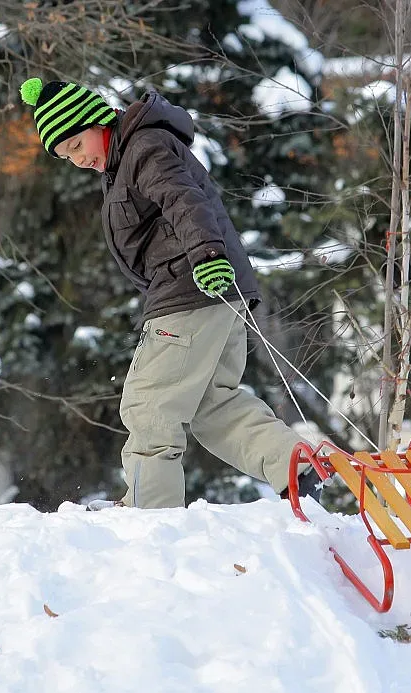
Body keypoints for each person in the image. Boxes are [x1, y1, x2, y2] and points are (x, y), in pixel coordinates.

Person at [19, 77, 320, 509]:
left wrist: (207, 256)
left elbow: (184, 199)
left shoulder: (143, 148)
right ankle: (297, 468)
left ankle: (151, 518)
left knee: (149, 406)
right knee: (212, 405)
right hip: (209, 290)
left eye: (76, 145)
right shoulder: (126, 159)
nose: (77, 160)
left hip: (193, 287)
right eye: (66, 156)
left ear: (93, 120)